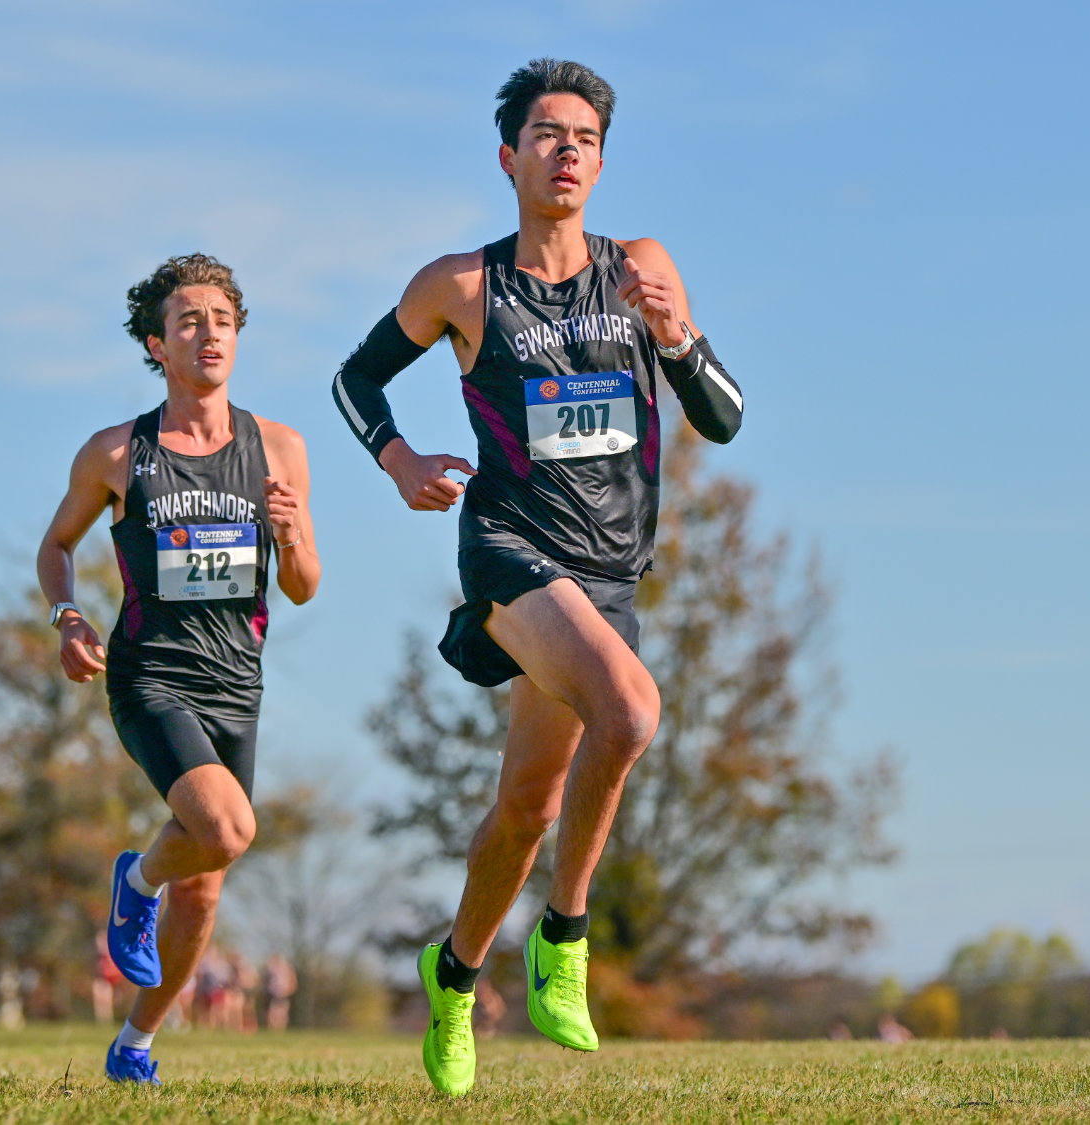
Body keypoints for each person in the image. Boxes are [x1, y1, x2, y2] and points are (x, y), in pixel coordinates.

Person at [330, 59, 743, 1097]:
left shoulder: (641, 267)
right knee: (634, 711)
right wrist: (399, 459)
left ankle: (455, 975)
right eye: (547, 135)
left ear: (600, 164)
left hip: (608, 577)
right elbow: (354, 379)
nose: (566, 150)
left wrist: (676, 338)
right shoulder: (461, 287)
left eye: (584, 139)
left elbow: (724, 418)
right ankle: (563, 938)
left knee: (525, 808)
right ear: (508, 156)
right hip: (509, 551)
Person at [36, 253, 321, 1086]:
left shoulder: (281, 450)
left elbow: (302, 589)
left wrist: (295, 531)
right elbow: (57, 546)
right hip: (150, 674)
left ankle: (134, 1043)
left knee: (205, 893)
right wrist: (68, 615)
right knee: (227, 829)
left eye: (222, 320)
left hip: (239, 684)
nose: (209, 333)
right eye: (189, 321)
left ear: (238, 338)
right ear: (157, 345)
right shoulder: (117, 452)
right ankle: (137, 875)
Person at [91, 930, 124, 1026]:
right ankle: (101, 1020)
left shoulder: (112, 953)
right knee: (99, 998)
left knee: (107, 1000)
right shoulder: (98, 956)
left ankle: (107, 1020)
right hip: (101, 978)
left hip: (110, 978)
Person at [262, 952, 296, 1031]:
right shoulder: (270, 971)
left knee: (282, 1013)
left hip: (284, 994)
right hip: (273, 994)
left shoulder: (287, 969)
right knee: (272, 1013)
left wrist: (288, 991)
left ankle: (280, 1030)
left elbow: (293, 982)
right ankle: (272, 1030)